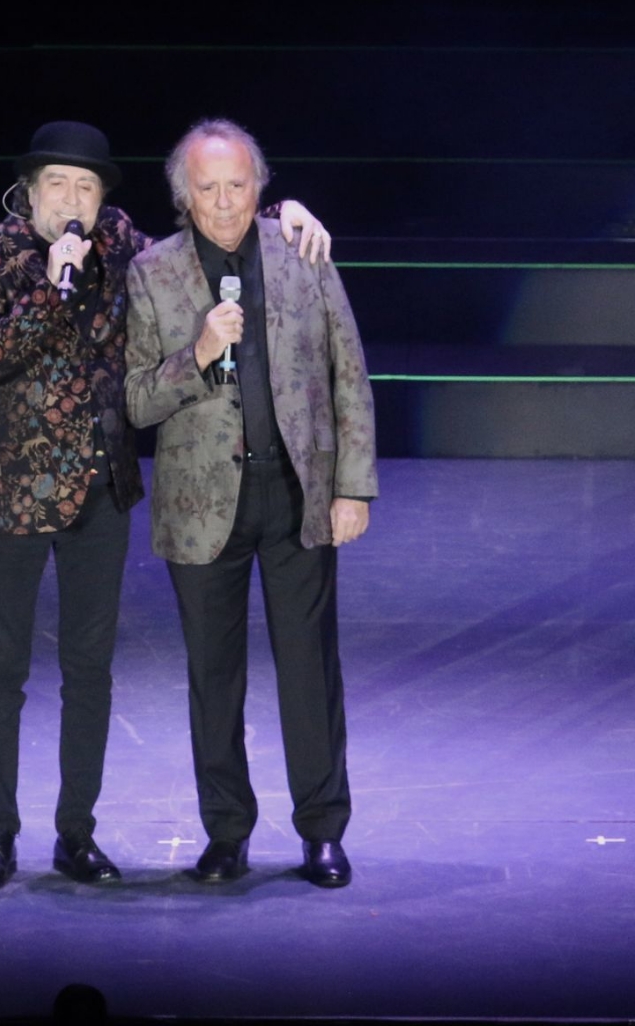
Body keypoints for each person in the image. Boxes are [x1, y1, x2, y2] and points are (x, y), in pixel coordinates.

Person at [0, 120, 330, 892]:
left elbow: (210, 224)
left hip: (101, 488)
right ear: (29, 190)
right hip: (15, 496)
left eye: (87, 186)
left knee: (89, 670)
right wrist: (51, 287)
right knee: (4, 672)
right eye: (57, 184)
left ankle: (74, 833)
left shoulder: (122, 243)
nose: (73, 199)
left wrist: (286, 212)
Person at [123, 117, 377, 888]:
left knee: (310, 671)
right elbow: (135, 400)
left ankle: (323, 830)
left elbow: (347, 375)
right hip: (202, 505)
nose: (225, 201)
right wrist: (196, 354)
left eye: (238, 185)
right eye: (208, 187)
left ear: (260, 187)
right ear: (183, 195)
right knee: (214, 676)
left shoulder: (303, 255)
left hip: (296, 493)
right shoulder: (153, 273)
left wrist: (352, 486)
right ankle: (226, 833)